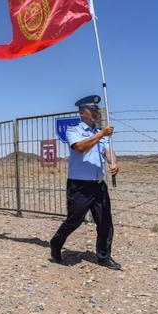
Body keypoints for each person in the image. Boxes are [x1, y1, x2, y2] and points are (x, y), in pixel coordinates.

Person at [49, 95, 120, 269]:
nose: (96, 113)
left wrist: (114, 162)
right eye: (92, 110)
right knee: (74, 220)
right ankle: (56, 243)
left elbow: (108, 151)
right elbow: (80, 148)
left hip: (98, 184)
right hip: (79, 185)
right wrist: (101, 133)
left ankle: (103, 256)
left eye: (97, 110)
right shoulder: (74, 131)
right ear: (82, 112)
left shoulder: (99, 133)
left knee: (105, 222)